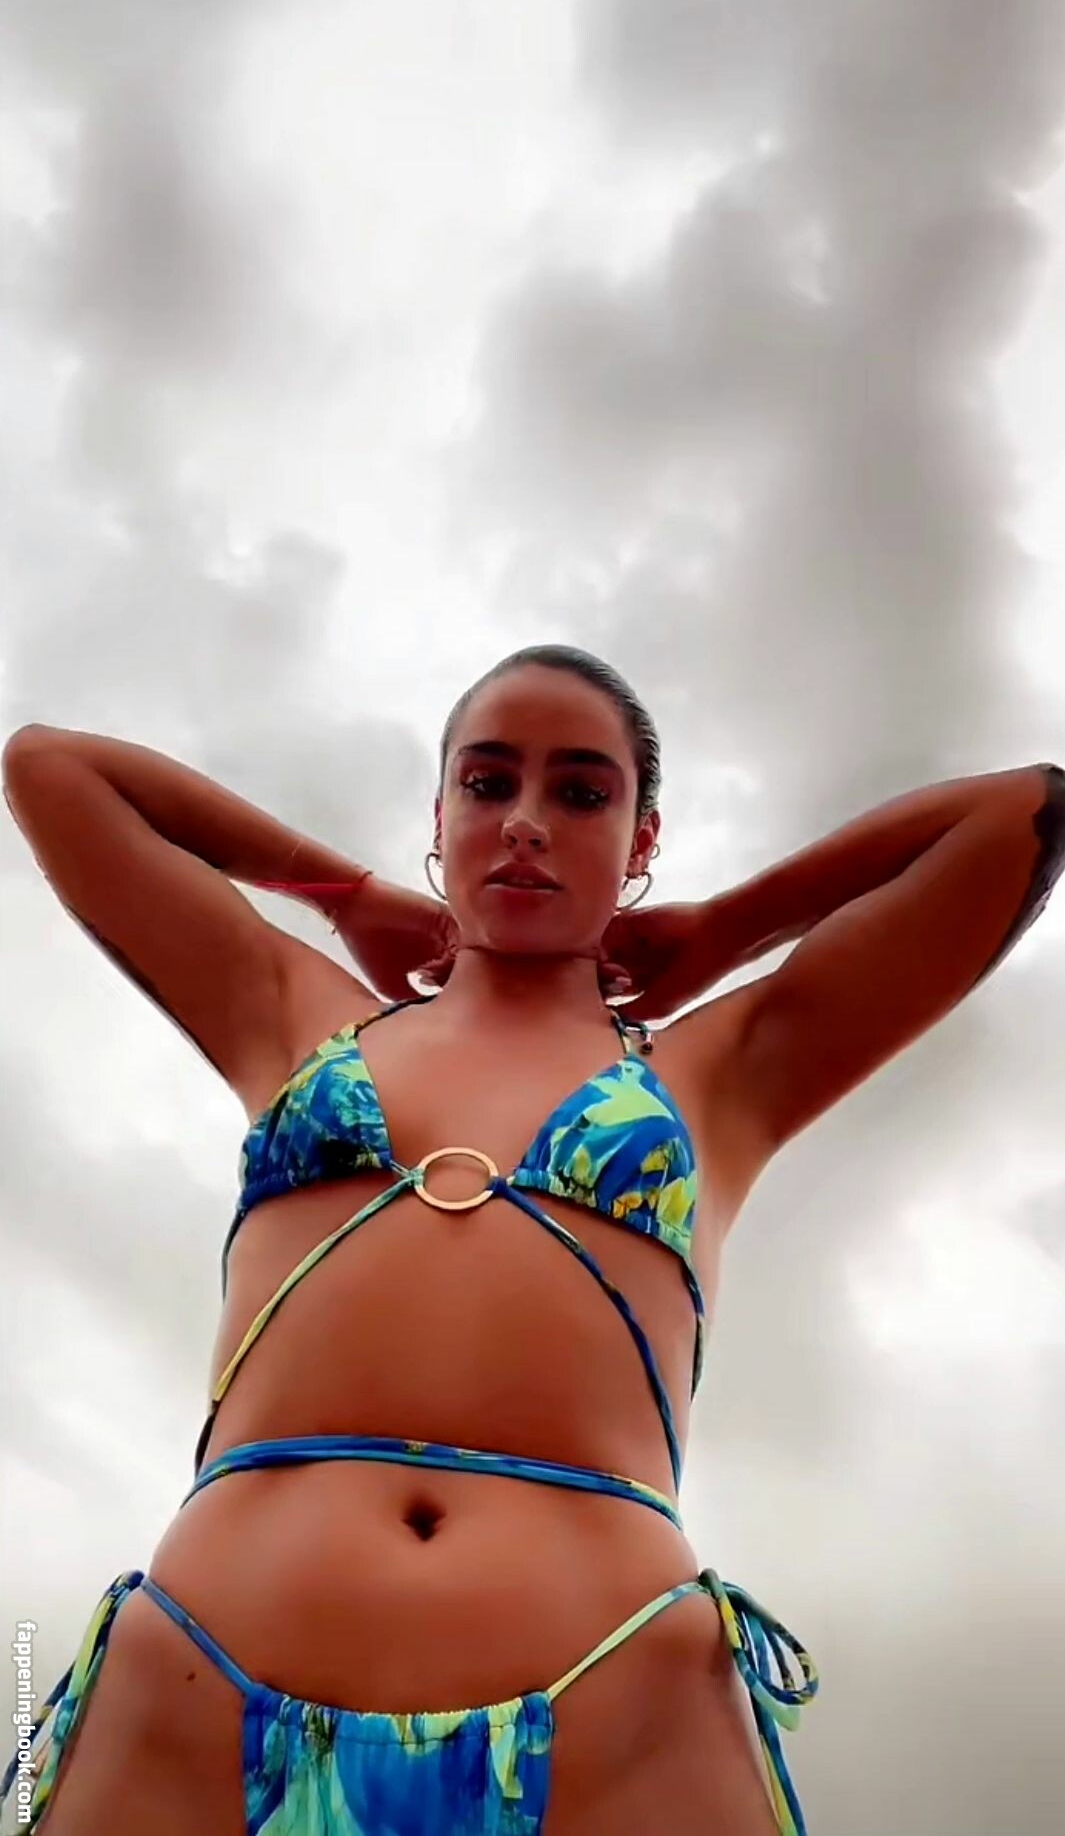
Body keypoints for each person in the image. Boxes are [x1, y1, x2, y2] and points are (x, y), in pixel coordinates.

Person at [3, 644, 1061, 1836]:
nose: (524, 820)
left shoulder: (720, 1072)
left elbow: (1014, 817)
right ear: (440, 817)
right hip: (197, 1686)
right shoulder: (290, 1012)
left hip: (620, 1707)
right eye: (488, 782)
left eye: (582, 791)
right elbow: (52, 772)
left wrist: (725, 929)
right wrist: (343, 893)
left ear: (641, 841)